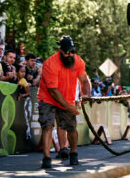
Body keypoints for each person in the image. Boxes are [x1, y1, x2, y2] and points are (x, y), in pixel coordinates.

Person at [37, 35, 91, 168]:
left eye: (73, 51)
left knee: (71, 127)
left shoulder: (78, 61)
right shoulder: (50, 64)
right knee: (48, 125)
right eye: (67, 52)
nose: (70, 54)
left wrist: (86, 94)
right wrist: (69, 107)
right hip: (48, 97)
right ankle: (46, 158)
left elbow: (84, 80)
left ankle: (73, 153)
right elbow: (53, 91)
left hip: (67, 96)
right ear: (60, 50)